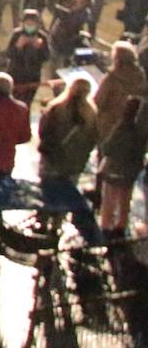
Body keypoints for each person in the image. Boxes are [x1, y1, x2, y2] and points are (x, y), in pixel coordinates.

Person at [36, 77, 101, 244]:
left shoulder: (57, 108)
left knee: (46, 190)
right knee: (66, 193)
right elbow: (93, 139)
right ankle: (56, 225)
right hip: (74, 164)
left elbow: (44, 132)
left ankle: (41, 222)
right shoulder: (91, 113)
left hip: (53, 160)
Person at [96, 96, 148, 236]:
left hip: (113, 170)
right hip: (129, 173)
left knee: (108, 202)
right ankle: (120, 228)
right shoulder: (141, 132)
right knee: (124, 202)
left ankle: (106, 228)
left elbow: (107, 148)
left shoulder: (120, 127)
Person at [92, 41, 148, 143]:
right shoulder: (140, 75)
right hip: (130, 124)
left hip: (109, 123)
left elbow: (98, 101)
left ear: (116, 58)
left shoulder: (112, 78)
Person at [4, 10, 51, 106]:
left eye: (32, 23)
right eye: (27, 23)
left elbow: (46, 57)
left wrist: (40, 48)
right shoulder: (17, 34)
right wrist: (18, 46)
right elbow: (9, 54)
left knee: (27, 104)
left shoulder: (42, 37)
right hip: (15, 75)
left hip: (32, 77)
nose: (30, 26)